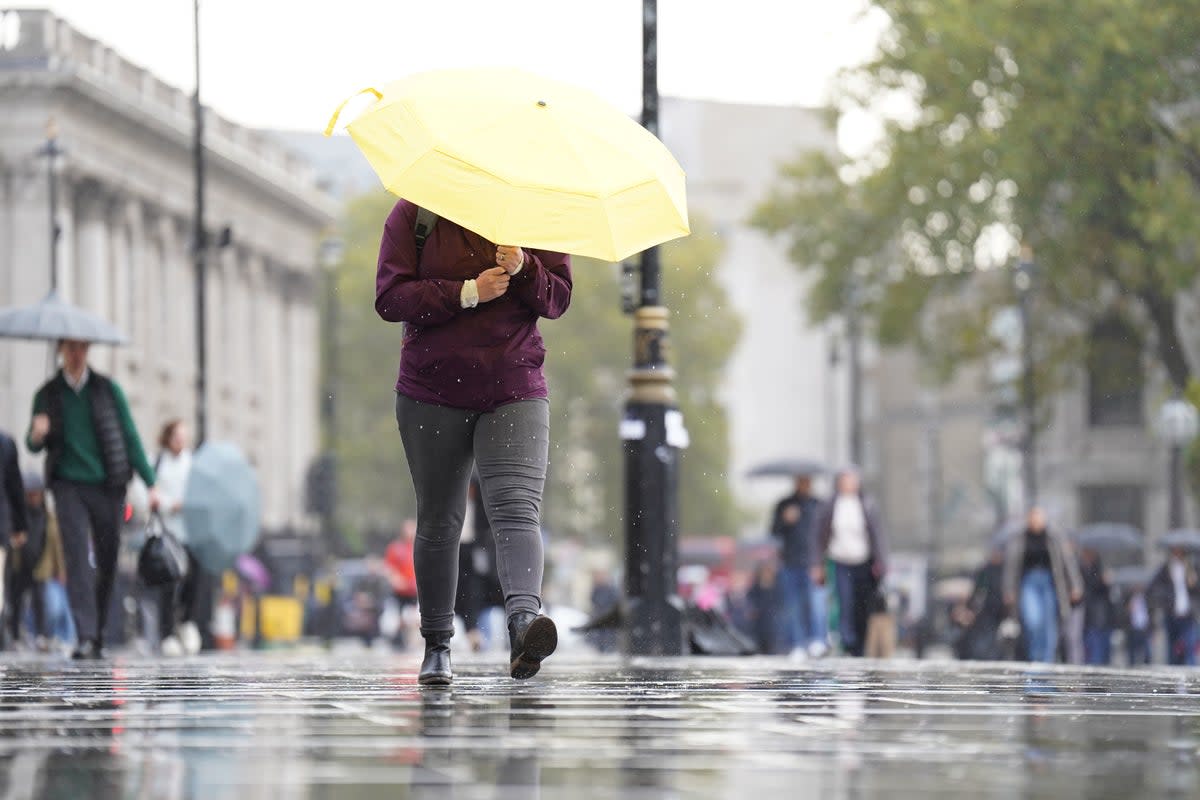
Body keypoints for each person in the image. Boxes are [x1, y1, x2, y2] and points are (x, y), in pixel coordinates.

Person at [376, 199, 572, 685]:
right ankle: (437, 645)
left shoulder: (536, 211)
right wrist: (466, 292)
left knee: (516, 506)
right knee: (441, 516)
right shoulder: (415, 214)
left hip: (514, 384)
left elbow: (558, 299)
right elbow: (390, 299)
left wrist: (526, 267)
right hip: (431, 390)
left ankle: (524, 623)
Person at [26, 338, 159, 659]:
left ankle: (97, 631)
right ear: (60, 350)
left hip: (108, 485)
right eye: (70, 348)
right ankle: (85, 634)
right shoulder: (46, 394)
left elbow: (129, 436)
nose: (76, 354)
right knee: (76, 558)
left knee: (108, 558)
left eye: (82, 348)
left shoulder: (107, 390)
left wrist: (151, 483)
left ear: (87, 351)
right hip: (68, 485)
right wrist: (36, 433)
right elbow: (32, 446)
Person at [812, 470, 888, 657]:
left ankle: (860, 644)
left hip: (863, 562)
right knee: (844, 601)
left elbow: (877, 535)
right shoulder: (830, 505)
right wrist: (817, 563)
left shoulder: (866, 503)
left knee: (861, 604)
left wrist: (881, 561)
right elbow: (819, 536)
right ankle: (847, 640)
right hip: (840, 561)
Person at [1002, 507, 1083, 664]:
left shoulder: (1053, 536)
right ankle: (1035, 655)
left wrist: (1075, 585)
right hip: (1028, 582)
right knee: (1032, 620)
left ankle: (1047, 658)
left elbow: (1067, 562)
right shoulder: (1020, 538)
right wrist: (1008, 589)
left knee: (1049, 621)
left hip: (1050, 582)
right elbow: (1011, 566)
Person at [152, 419, 205, 657]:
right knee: (167, 583)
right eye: (177, 436)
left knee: (193, 578)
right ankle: (167, 634)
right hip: (165, 532)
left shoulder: (192, 463)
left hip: (190, 532)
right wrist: (168, 505)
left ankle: (187, 622)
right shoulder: (158, 463)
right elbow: (147, 495)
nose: (181, 441)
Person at [5, 472, 66, 650]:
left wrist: (60, 568)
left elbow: (55, 545)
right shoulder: (17, 515)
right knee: (15, 601)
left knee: (41, 603)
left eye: (36, 493)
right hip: (19, 564)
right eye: (30, 494)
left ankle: (42, 636)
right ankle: (15, 636)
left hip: (41, 565)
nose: (33, 498)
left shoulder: (48, 517)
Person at [769, 474, 825, 657]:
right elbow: (773, 531)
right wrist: (785, 520)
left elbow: (824, 535)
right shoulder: (785, 504)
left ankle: (817, 640)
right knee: (792, 606)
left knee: (816, 605)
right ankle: (797, 644)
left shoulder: (818, 505)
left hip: (813, 563)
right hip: (790, 562)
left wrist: (820, 562)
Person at [1147, 547, 1200, 667]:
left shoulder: (1192, 568)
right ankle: (1173, 672)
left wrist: (1195, 583)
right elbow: (1153, 588)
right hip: (1171, 613)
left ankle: (1191, 675)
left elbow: (1197, 592)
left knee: (1189, 645)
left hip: (1188, 613)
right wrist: (1166, 598)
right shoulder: (1165, 569)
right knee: (1172, 648)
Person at [1, 429, 29, 648]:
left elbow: (15, 487)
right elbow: (15, 487)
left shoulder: (6, 443)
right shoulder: (5, 442)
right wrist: (20, 525)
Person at [954, 548, 1007, 661]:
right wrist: (969, 608)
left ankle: (992, 657)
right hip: (986, 611)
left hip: (1000, 611)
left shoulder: (1006, 570)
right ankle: (987, 658)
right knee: (986, 638)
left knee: (993, 638)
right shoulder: (985, 571)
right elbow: (976, 591)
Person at [385, 519, 418, 650]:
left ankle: (411, 643)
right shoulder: (395, 548)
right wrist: (397, 580)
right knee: (400, 618)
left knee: (414, 618)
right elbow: (389, 568)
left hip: (415, 591)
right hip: (400, 592)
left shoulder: (419, 546)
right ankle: (398, 639)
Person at [1079, 547, 1114, 666]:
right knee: (1089, 643)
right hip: (1087, 611)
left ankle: (1096, 664)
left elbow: (1106, 593)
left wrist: (1106, 582)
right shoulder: (1081, 568)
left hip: (1099, 613)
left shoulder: (1099, 569)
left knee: (1097, 645)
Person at [1123, 584, 1152, 667]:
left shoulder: (1147, 599)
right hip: (1133, 629)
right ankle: (1132, 667)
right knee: (1132, 653)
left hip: (1144, 628)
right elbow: (1123, 615)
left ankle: (1147, 667)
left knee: (1147, 653)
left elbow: (1150, 613)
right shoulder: (1128, 599)